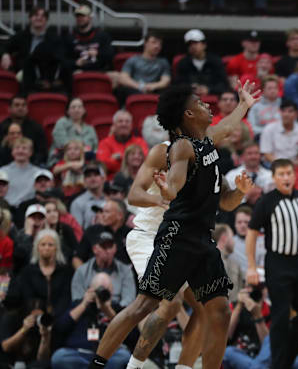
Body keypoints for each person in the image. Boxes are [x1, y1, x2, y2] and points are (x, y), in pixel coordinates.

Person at [87, 82, 259, 369]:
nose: (208, 106)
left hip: (203, 239)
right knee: (149, 305)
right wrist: (167, 192)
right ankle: (101, 364)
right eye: (200, 103)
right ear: (188, 114)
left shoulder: (208, 142)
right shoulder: (180, 147)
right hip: (174, 237)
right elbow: (174, 183)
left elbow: (227, 129)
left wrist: (244, 105)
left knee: (218, 312)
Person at [124, 138, 242, 369]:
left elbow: (228, 202)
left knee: (205, 308)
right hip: (149, 236)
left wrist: (241, 191)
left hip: (183, 241)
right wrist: (161, 198)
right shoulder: (164, 151)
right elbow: (134, 195)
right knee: (172, 301)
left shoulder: (210, 163)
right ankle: (135, 365)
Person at [246, 159, 298, 369]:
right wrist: (252, 266)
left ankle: (290, 359)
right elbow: (252, 233)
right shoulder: (266, 201)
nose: (285, 178)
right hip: (278, 263)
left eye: (289, 173)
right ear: (274, 178)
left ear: (294, 175)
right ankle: (278, 364)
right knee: (281, 318)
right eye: (281, 174)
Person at [52, 273, 132, 369]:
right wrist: (84, 304)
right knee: (59, 357)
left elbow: (129, 333)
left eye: (106, 291)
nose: (101, 294)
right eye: (99, 290)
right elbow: (60, 327)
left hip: (108, 356)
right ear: (90, 290)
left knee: (124, 356)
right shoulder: (77, 304)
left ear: (112, 292)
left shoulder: (115, 308)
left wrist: (107, 310)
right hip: (80, 354)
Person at [4, 229, 74, 314]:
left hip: (61, 317)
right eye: (43, 244)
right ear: (37, 247)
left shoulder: (66, 271)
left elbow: (65, 299)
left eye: (50, 245)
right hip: (33, 317)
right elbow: (27, 297)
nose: (47, 248)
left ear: (56, 248)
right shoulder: (28, 272)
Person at [72, 232, 136, 308]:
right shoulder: (81, 271)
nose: (108, 251)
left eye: (110, 246)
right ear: (95, 249)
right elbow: (77, 300)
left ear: (115, 248)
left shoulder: (126, 271)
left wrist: (113, 310)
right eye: (104, 247)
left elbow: (129, 301)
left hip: (118, 314)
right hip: (89, 313)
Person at [223, 284, 271, 369]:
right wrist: (239, 305)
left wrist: (258, 316)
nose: (254, 292)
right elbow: (226, 336)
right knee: (228, 352)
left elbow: (267, 345)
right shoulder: (235, 306)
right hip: (237, 353)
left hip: (260, 356)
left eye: (259, 288)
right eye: (249, 287)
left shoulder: (270, 310)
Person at [73, 199, 132, 268]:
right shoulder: (92, 231)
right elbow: (77, 258)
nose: (102, 215)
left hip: (123, 275)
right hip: (94, 275)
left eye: (107, 212)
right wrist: (85, 275)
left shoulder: (131, 235)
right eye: (102, 211)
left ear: (119, 216)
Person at [1, 6, 62, 73]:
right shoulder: (21, 36)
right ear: (30, 18)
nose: (39, 18)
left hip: (46, 74)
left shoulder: (54, 38)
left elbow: (60, 57)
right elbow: (3, 47)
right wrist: (5, 55)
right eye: (36, 15)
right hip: (24, 72)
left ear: (46, 20)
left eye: (43, 16)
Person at [116, 32, 171, 104]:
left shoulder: (163, 62)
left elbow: (166, 81)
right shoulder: (133, 59)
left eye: (160, 44)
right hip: (135, 89)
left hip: (154, 90)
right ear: (145, 43)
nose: (157, 46)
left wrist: (152, 86)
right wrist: (140, 86)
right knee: (121, 90)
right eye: (154, 42)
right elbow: (123, 78)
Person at [96, 110, 149, 180]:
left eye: (127, 121)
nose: (124, 124)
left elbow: (145, 162)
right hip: (112, 184)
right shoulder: (104, 143)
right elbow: (102, 166)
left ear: (131, 125)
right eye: (120, 121)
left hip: (136, 180)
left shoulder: (140, 142)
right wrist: (131, 160)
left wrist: (117, 159)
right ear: (114, 125)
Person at [176, 29, 230, 95]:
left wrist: (209, 89)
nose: (192, 46)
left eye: (195, 43)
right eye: (189, 44)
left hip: (212, 98)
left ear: (204, 44)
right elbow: (178, 85)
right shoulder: (183, 63)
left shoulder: (215, 61)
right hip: (189, 98)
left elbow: (224, 84)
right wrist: (189, 88)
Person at [64, 5, 114, 73]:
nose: (80, 18)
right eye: (77, 16)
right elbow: (63, 60)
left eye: (83, 16)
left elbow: (111, 54)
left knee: (115, 76)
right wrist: (76, 63)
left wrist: (97, 53)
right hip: (79, 71)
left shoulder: (102, 35)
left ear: (90, 17)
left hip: (100, 71)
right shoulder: (70, 37)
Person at [0, 96, 48, 165]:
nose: (20, 108)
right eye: (17, 105)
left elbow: (42, 152)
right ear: (9, 109)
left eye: (23, 105)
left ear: (27, 109)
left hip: (31, 164)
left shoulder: (36, 127)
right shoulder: (2, 127)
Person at [0, 138, 46, 206]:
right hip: (7, 208)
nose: (20, 151)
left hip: (29, 208)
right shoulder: (2, 171)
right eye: (17, 148)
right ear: (12, 151)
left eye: (24, 148)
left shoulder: (39, 173)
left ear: (31, 152)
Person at [70, 161, 107, 229]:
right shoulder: (77, 203)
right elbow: (77, 231)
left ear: (103, 178)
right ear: (84, 180)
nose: (92, 178)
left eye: (96, 175)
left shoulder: (109, 200)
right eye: (88, 176)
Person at [228, 206, 265, 273]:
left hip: (257, 279)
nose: (243, 225)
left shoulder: (263, 242)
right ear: (235, 224)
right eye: (239, 222)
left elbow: (264, 267)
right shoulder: (228, 243)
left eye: (246, 222)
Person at [213, 224, 244, 302]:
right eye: (232, 237)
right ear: (224, 238)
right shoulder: (212, 261)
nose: (234, 242)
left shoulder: (234, 262)